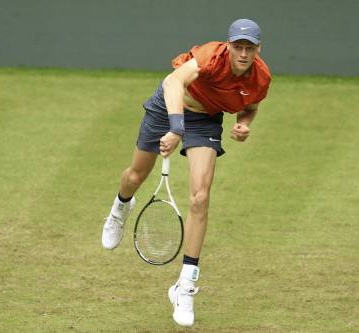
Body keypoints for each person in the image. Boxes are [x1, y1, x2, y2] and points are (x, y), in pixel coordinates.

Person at [101, 18, 271, 326]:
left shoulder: (260, 77)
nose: (243, 54)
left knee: (200, 198)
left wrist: (245, 123)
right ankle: (120, 206)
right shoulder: (209, 56)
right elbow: (172, 83)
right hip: (168, 107)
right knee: (135, 177)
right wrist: (176, 127)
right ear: (229, 46)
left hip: (205, 121)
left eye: (250, 48)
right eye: (238, 47)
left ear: (259, 48)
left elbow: (251, 104)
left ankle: (185, 286)